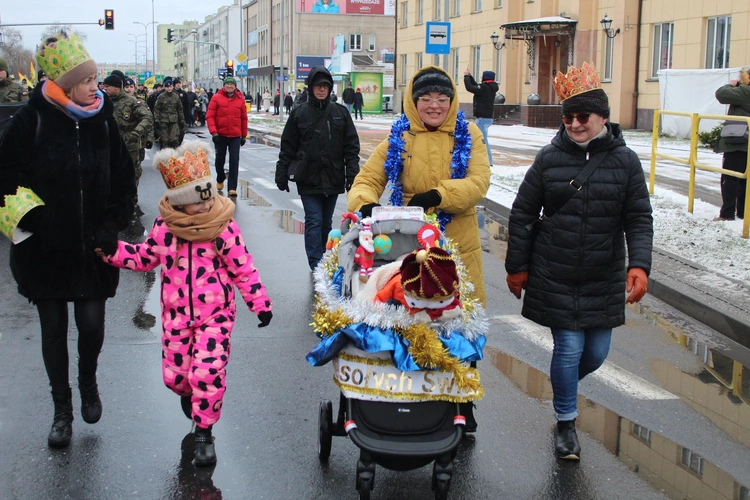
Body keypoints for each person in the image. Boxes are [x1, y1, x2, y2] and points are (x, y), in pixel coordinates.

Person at [504, 62, 653, 461]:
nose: (573, 124)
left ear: (603, 117)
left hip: (603, 272)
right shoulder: (549, 158)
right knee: (569, 348)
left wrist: (639, 265)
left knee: (596, 354)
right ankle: (566, 423)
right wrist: (517, 266)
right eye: (567, 117)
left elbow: (638, 217)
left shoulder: (626, 162)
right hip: (555, 269)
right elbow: (521, 214)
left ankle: (563, 385)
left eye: (581, 116)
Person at [96, 141, 273, 466]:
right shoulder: (167, 230)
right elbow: (144, 257)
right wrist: (111, 251)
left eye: (208, 197)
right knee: (177, 379)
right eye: (197, 202)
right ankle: (193, 398)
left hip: (215, 316)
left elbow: (243, 268)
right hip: (176, 317)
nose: (205, 206)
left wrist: (260, 303)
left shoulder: (222, 227)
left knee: (207, 373)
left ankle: (205, 433)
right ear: (180, 203)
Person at [0, 32, 136, 448]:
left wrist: (111, 225)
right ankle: (62, 410)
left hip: (93, 249)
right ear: (65, 83)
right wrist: (38, 220)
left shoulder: (103, 121)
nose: (96, 85)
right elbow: (6, 177)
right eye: (88, 79)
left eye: (96, 78)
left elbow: (123, 179)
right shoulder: (32, 119)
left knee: (92, 325)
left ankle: (88, 379)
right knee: (53, 329)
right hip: (45, 250)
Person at [348, 66, 490, 431]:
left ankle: (462, 400)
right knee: (412, 318)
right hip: (408, 244)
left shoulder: (468, 133)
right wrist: (365, 203)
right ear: (414, 102)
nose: (434, 106)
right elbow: (368, 178)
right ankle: (412, 397)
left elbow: (478, 181)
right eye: (426, 99)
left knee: (458, 324)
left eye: (442, 99)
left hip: (456, 243)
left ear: (452, 101)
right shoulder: (399, 135)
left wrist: (441, 195)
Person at [275, 66, 360, 270]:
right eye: (317, 86)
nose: (321, 90)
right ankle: (316, 265)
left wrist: (352, 175)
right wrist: (282, 172)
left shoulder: (340, 113)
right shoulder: (299, 114)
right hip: (308, 178)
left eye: (325, 86)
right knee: (313, 220)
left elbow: (351, 147)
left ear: (330, 89)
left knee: (325, 223)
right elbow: (288, 146)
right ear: (311, 88)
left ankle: (324, 259)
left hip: (333, 176)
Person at [102, 74, 154, 206]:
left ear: (116, 87)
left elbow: (147, 118)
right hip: (110, 145)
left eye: (107, 87)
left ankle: (131, 201)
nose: (105, 89)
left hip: (130, 145)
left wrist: (137, 133)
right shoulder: (104, 102)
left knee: (131, 174)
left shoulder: (132, 102)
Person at [713, 68, 749, 221]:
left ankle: (727, 213)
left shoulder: (745, 91)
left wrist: (732, 85)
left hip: (739, 141)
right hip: (745, 143)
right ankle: (743, 212)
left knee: (730, 178)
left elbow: (721, 94)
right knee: (745, 179)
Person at [206, 76, 248, 197]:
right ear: (224, 86)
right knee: (220, 159)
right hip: (220, 135)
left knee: (234, 160)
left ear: (235, 87)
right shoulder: (216, 98)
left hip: (235, 135)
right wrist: (214, 132)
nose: (229, 86)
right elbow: (210, 116)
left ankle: (232, 187)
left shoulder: (240, 99)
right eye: (227, 84)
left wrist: (243, 135)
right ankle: (220, 177)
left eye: (232, 84)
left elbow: (243, 118)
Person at [463, 67, 498, 166]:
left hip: (482, 118)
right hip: (487, 117)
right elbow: (476, 86)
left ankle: (488, 161)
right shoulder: (490, 87)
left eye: (482, 76)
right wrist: (470, 77)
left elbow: (470, 88)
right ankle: (481, 159)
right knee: (480, 139)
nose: (481, 77)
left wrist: (465, 76)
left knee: (482, 140)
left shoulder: (485, 88)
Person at [154, 77, 186, 149]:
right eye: (167, 87)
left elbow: (180, 109)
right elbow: (157, 109)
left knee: (174, 139)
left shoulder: (176, 96)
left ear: (172, 86)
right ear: (165, 87)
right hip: (163, 120)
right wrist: (156, 120)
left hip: (174, 120)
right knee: (164, 140)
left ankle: (174, 155)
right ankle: (164, 156)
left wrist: (182, 120)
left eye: (170, 86)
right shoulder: (161, 97)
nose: (169, 88)